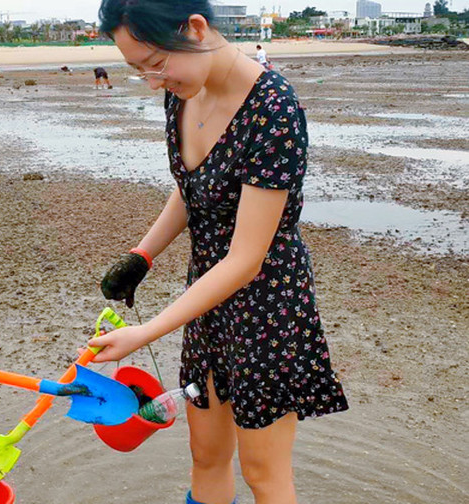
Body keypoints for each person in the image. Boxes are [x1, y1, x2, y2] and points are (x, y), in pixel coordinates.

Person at [91, 1, 348, 503]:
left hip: (266, 307)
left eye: (156, 63)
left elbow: (246, 259)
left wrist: (146, 331)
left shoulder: (273, 110)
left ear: (195, 28)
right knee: (206, 454)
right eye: (137, 70)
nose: (152, 80)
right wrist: (142, 255)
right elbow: (196, 187)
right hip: (206, 298)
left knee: (263, 472)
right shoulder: (183, 91)